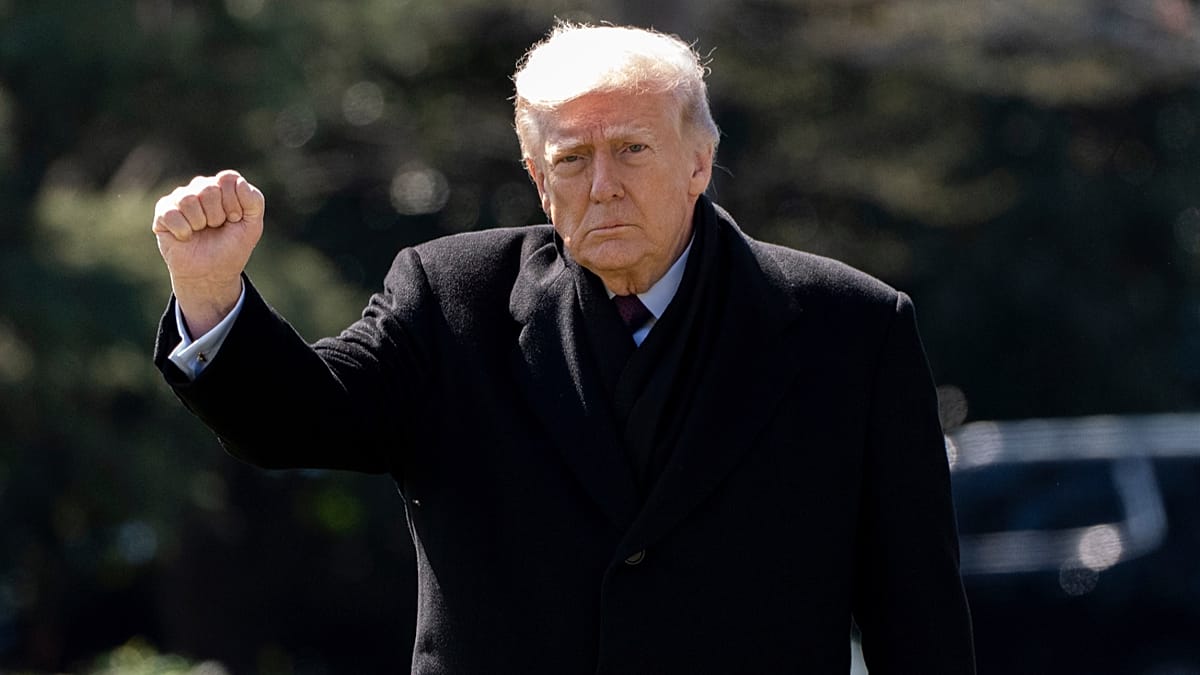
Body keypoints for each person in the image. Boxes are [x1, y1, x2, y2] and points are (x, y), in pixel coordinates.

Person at [151, 21, 975, 674]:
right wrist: (211, 292)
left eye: (632, 149)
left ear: (700, 160)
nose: (602, 184)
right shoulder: (452, 298)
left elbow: (919, 617)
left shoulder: (852, 327)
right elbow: (301, 419)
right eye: (571, 159)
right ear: (538, 179)